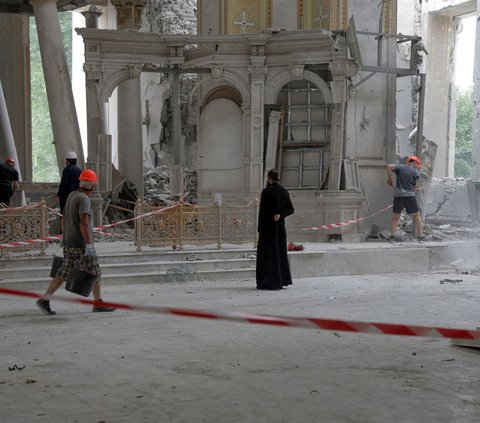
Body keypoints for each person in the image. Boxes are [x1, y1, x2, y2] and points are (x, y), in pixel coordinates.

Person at [36, 169, 116, 315]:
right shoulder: (84, 199)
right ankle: (98, 303)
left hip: (69, 243)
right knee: (95, 272)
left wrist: (64, 237)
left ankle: (44, 299)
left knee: (63, 272)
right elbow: (83, 222)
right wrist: (89, 244)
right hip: (80, 244)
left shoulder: (72, 195)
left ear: (80, 182)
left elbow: (63, 218)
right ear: (92, 186)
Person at [256, 168, 295, 290]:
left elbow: (262, 212)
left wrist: (259, 229)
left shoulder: (266, 192)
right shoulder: (284, 192)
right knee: (279, 254)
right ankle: (281, 280)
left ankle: (267, 282)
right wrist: (280, 215)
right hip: (279, 229)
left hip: (267, 229)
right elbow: (291, 209)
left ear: (269, 178)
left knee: (267, 256)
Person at [386, 155, 424, 241]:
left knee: (396, 217)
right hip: (410, 196)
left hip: (398, 196)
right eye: (417, 165)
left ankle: (393, 236)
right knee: (416, 215)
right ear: (415, 163)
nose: (417, 167)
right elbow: (416, 187)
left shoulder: (400, 167)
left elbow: (388, 166)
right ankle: (421, 236)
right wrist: (416, 189)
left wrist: (389, 179)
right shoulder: (416, 172)